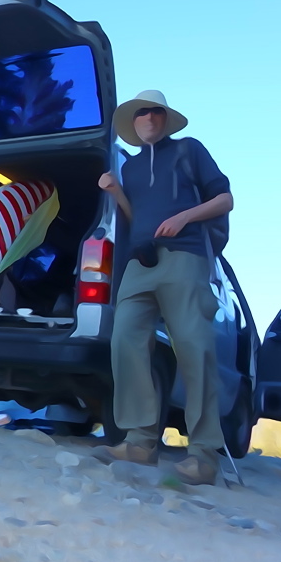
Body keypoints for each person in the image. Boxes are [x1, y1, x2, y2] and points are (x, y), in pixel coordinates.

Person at [98, 90, 234, 485]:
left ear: (165, 118)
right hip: (140, 263)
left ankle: (205, 455)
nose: (150, 119)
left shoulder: (189, 151)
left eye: (157, 112)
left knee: (194, 346)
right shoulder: (133, 169)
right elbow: (133, 216)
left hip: (185, 257)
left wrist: (185, 217)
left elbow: (225, 199)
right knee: (124, 338)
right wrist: (116, 192)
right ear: (134, 123)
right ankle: (139, 442)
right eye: (142, 114)